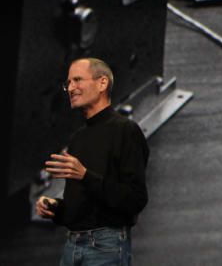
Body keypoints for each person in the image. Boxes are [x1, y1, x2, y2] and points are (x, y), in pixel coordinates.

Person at [36, 58, 149, 265]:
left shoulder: (125, 131)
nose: (71, 88)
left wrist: (85, 176)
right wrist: (56, 209)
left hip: (106, 246)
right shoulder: (78, 138)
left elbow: (135, 199)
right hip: (73, 245)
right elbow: (82, 207)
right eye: (68, 83)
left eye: (77, 80)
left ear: (102, 83)